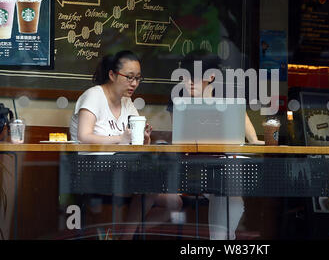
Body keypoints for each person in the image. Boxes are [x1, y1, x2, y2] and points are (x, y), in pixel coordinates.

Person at [70, 50, 182, 239]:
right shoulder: (94, 96)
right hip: (92, 169)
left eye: (138, 78)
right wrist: (119, 140)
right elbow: (83, 136)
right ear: (112, 75)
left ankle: (128, 232)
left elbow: (132, 144)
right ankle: (127, 236)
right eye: (129, 77)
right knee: (151, 183)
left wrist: (144, 140)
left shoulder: (127, 102)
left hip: (124, 169)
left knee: (175, 202)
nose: (134, 84)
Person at [168, 50, 264, 239]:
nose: (188, 83)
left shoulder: (226, 93)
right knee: (228, 189)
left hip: (222, 164)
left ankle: (220, 239)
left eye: (193, 78)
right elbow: (179, 137)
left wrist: (253, 140)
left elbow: (241, 118)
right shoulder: (179, 97)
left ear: (211, 76)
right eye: (185, 77)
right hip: (193, 167)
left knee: (226, 187)